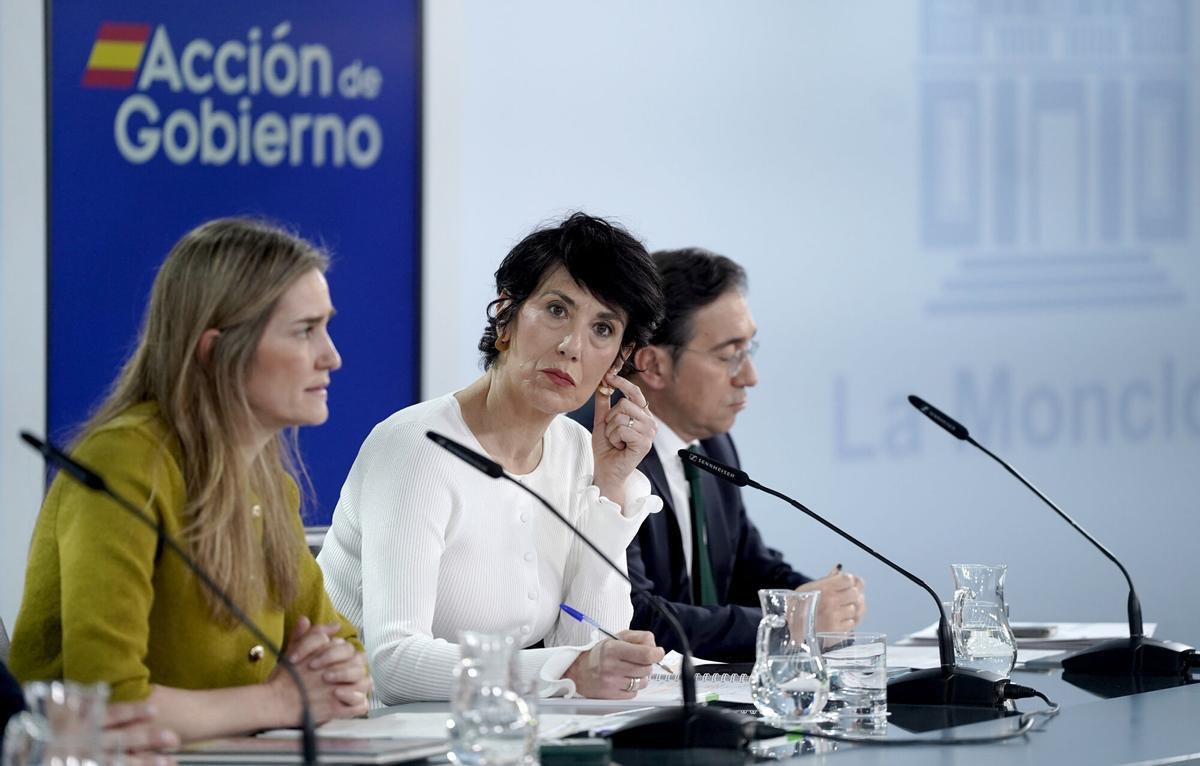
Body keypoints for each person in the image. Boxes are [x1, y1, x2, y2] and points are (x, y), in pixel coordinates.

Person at [8, 218, 372, 742]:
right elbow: (103, 703)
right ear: (216, 351)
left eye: (326, 326)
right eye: (304, 331)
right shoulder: (124, 464)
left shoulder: (268, 482)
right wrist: (278, 700)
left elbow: (346, 658)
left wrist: (335, 680)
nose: (331, 356)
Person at [318, 212, 667, 703]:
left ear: (617, 362)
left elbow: (588, 651)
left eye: (603, 330)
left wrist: (609, 486)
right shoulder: (418, 447)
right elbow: (393, 666)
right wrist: (565, 670)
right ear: (505, 316)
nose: (572, 347)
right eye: (556, 310)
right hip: (370, 732)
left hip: (491, 731)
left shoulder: (574, 453)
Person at [571, 248, 866, 662]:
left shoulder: (711, 445)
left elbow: (749, 566)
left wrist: (817, 602)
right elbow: (636, 618)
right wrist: (784, 624)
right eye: (729, 355)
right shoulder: (591, 446)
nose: (749, 377)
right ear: (652, 365)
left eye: (750, 351)